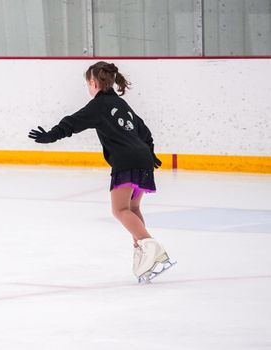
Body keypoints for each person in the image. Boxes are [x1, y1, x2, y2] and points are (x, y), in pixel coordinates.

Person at [28, 61, 175, 283]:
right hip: (142, 157)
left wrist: (50, 135)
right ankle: (143, 251)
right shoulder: (122, 104)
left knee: (119, 210)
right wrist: (150, 153)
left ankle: (151, 246)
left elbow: (72, 122)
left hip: (126, 161)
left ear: (93, 82)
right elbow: (144, 130)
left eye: (88, 84)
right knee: (133, 208)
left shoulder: (98, 106)